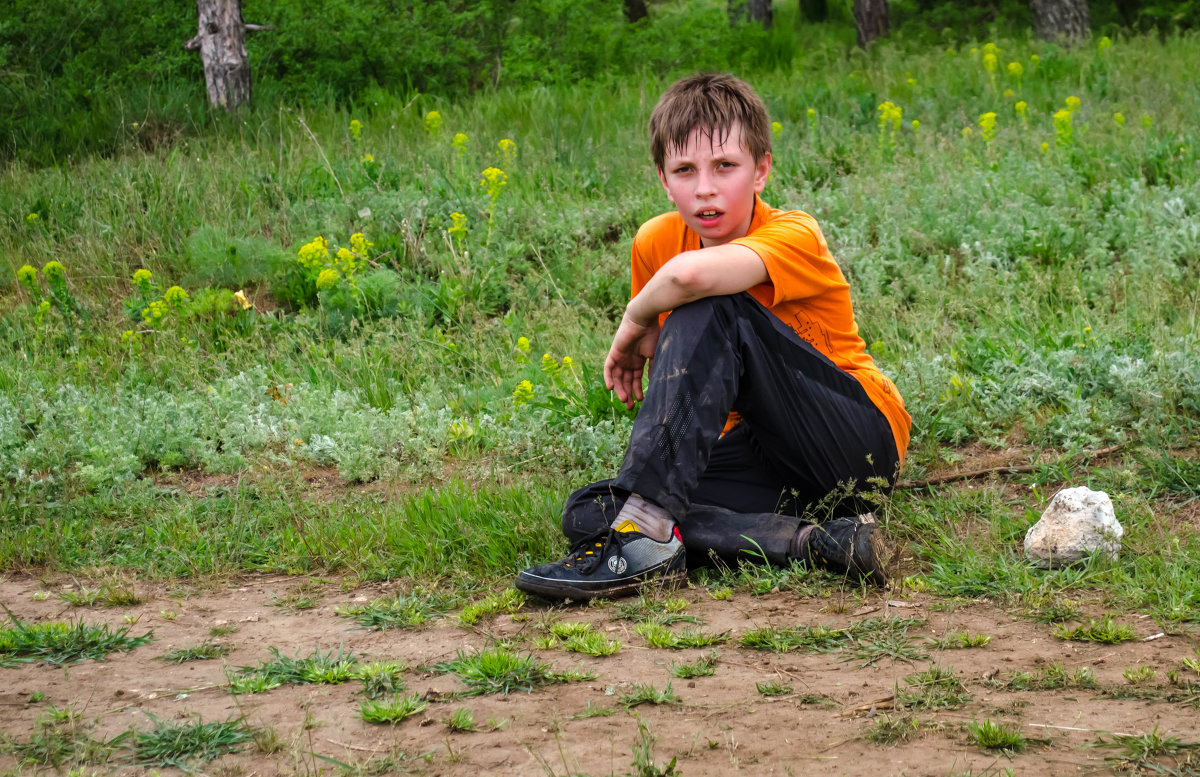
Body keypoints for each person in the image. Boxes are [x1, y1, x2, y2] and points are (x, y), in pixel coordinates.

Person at [515, 73, 911, 601]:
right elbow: (690, 383)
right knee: (593, 509)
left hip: (855, 441)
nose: (705, 188)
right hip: (761, 453)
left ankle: (648, 537)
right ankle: (815, 542)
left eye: (725, 166)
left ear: (761, 170)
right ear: (663, 178)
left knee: (714, 302)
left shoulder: (795, 233)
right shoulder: (655, 242)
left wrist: (633, 322)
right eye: (685, 170)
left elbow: (691, 280)